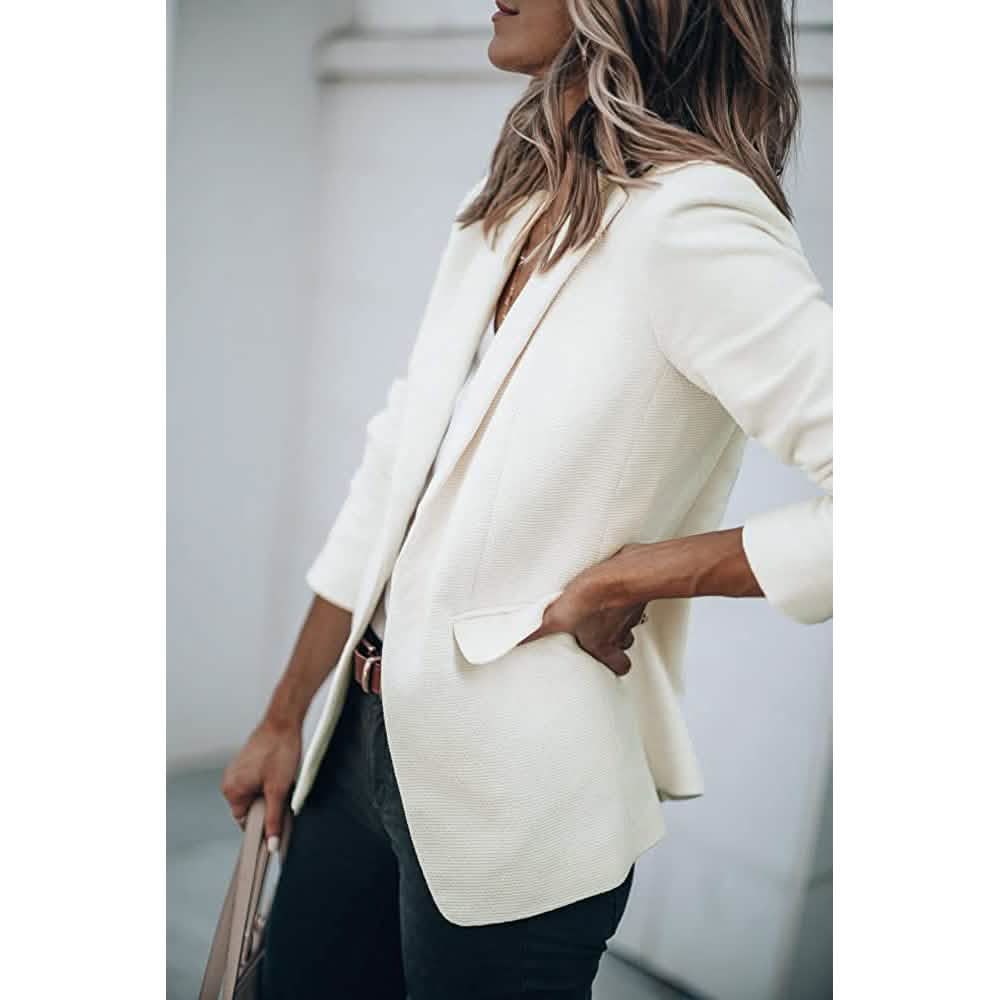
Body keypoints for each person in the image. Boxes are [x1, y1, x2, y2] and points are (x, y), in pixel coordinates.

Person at [220, 1, 832, 997]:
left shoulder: (694, 222)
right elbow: (393, 471)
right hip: (355, 751)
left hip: (523, 797)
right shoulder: (507, 202)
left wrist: (647, 570)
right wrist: (287, 714)